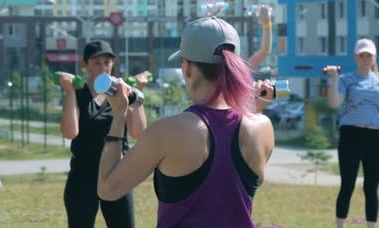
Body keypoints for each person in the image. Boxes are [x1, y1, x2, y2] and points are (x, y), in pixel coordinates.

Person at [97, 16, 275, 227]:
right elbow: (228, 186)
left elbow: (108, 189)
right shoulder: (263, 127)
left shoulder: (166, 132)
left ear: (187, 68)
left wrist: (119, 114)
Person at [59, 39, 148, 228]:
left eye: (107, 63)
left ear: (113, 64)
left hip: (117, 173)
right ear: (85, 65)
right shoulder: (78, 93)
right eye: (96, 63)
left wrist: (137, 93)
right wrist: (69, 91)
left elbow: (138, 132)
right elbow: (70, 132)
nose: (102, 68)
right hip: (83, 175)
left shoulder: (122, 92)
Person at [326, 38, 379, 228]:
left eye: (368, 55)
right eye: (361, 55)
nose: (365, 58)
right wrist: (334, 79)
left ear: (374, 57)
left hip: (374, 137)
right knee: (348, 185)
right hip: (351, 136)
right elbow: (335, 103)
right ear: (356, 57)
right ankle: (340, 226)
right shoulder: (346, 79)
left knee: (371, 187)